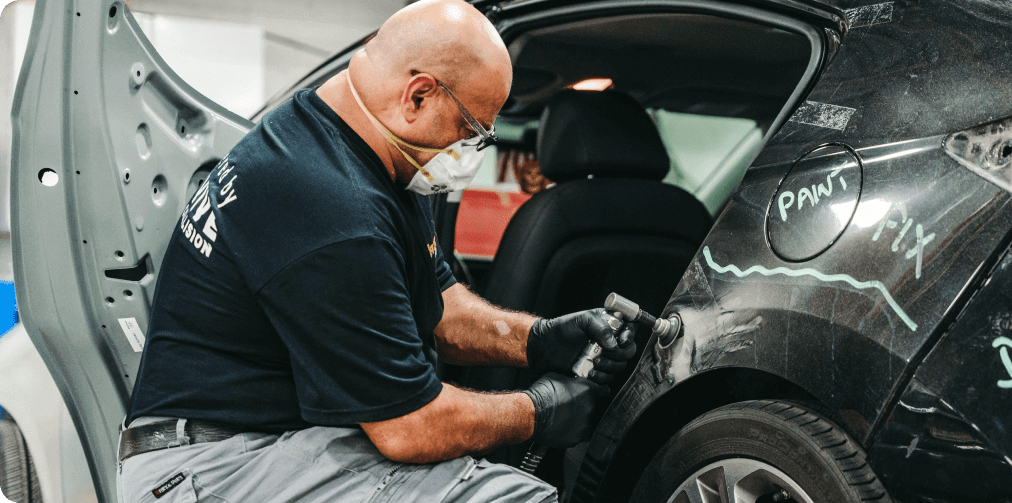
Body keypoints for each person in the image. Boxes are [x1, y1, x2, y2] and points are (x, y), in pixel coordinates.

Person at [114, 1, 636, 501]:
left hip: (280, 440)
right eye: (470, 130)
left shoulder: (364, 152)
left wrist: (538, 341)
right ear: (418, 96)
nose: (469, 152)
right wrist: (539, 412)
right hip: (210, 464)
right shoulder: (329, 202)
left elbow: (437, 302)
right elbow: (410, 427)